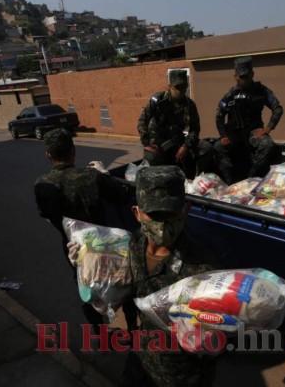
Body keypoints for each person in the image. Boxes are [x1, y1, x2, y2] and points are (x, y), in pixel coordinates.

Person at [69, 165, 220, 386]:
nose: (162, 224)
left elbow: (220, 337)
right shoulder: (129, 248)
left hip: (182, 375)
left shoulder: (204, 266)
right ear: (137, 213)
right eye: (154, 215)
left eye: (171, 214)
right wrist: (88, 273)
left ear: (186, 209)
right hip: (142, 360)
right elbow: (110, 302)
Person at [34, 128, 138, 332]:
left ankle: (100, 332)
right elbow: (123, 195)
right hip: (107, 244)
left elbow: (47, 216)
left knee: (87, 286)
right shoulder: (91, 176)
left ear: (48, 155)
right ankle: (133, 328)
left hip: (74, 249)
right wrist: (104, 174)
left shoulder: (42, 185)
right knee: (122, 282)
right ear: (73, 151)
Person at [214, 56, 284, 184]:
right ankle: (228, 180)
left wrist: (268, 128)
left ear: (252, 74)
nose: (244, 80)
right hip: (234, 133)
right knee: (217, 147)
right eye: (241, 77)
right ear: (235, 77)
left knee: (267, 145)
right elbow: (219, 116)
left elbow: (278, 108)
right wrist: (223, 135)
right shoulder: (231, 94)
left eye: (246, 76)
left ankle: (251, 177)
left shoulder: (261, 91)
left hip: (253, 131)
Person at [137, 69, 215, 180]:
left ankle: (196, 179)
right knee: (151, 156)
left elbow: (195, 129)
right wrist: (146, 143)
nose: (181, 91)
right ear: (170, 86)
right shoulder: (158, 100)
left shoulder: (189, 105)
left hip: (178, 139)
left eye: (183, 87)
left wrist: (185, 145)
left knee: (206, 148)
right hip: (158, 140)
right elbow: (142, 121)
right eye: (177, 87)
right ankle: (159, 182)